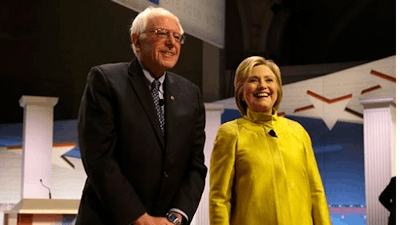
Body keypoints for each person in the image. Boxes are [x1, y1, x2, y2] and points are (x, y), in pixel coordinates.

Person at [75, 7, 207, 225]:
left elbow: (195, 165)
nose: (172, 43)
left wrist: (176, 217)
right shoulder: (106, 81)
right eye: (162, 33)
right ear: (137, 41)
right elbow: (99, 158)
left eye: (177, 37)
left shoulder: (190, 93)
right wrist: (140, 218)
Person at [209, 56, 332, 225]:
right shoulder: (230, 133)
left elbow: (316, 193)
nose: (262, 86)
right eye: (253, 80)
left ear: (277, 89)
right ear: (241, 92)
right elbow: (219, 199)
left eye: (269, 80)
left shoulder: (298, 132)